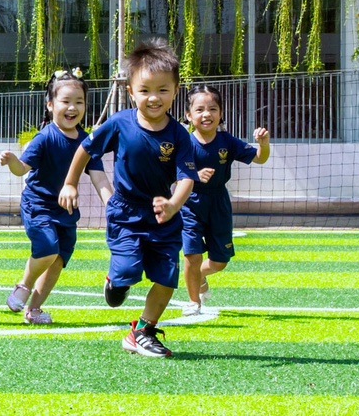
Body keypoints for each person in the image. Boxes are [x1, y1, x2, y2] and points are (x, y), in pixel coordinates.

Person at [61, 39, 197, 357]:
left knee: (166, 279)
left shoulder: (179, 135)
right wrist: (70, 183)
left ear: (175, 91)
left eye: (163, 90)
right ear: (131, 91)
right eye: (145, 90)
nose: (154, 97)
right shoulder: (120, 123)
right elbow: (85, 149)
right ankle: (117, 279)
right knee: (129, 272)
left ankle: (142, 331)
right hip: (125, 214)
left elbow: (187, 177)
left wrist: (174, 204)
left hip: (164, 216)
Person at [0, 69, 113, 324]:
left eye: (79, 102)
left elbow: (99, 177)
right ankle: (23, 286)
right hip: (38, 205)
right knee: (47, 248)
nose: (72, 107)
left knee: (58, 260)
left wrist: (112, 205)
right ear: (50, 105)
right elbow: (22, 170)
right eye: (66, 101)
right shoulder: (45, 137)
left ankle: (34, 309)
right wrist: (12, 161)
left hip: (67, 211)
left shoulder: (87, 141)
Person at [180, 84, 270, 315]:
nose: (206, 114)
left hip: (219, 202)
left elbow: (260, 159)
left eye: (212, 109)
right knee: (191, 253)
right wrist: (193, 176)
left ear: (220, 114)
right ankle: (193, 302)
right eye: (199, 110)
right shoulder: (183, 143)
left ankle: (199, 276)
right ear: (189, 115)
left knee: (219, 261)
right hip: (190, 202)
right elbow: (169, 171)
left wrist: (264, 144)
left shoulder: (228, 141)